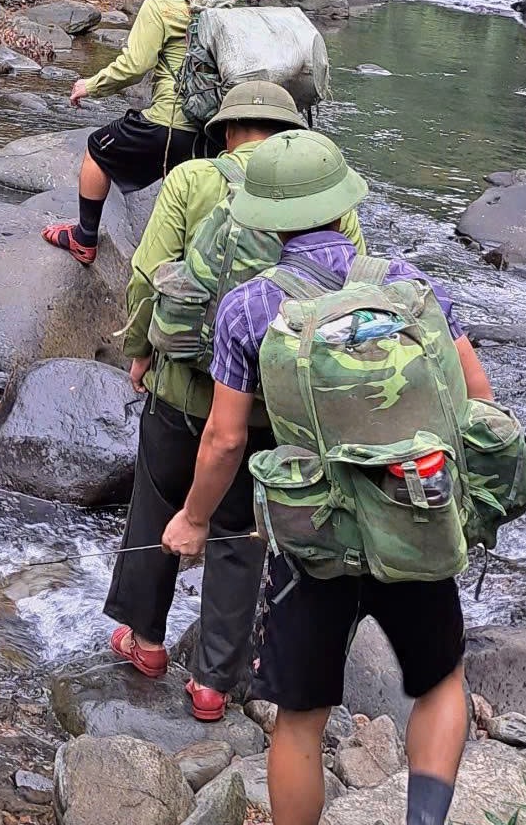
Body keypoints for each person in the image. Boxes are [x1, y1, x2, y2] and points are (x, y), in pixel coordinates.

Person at [160, 130, 496, 825]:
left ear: (264, 221)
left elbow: (225, 439)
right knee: (440, 683)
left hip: (313, 540)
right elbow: (478, 398)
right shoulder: (411, 283)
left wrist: (192, 519)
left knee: (300, 718)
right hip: (413, 514)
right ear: (345, 206)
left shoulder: (248, 308)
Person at [105, 82, 367, 722]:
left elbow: (145, 273)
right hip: (271, 410)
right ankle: (213, 682)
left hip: (183, 391)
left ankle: (145, 642)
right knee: (239, 533)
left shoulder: (192, 180)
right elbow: (350, 294)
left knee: (157, 500)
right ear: (292, 136)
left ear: (226, 131)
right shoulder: (327, 198)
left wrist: (139, 349)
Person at [42, 0, 214, 264]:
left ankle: (83, 239)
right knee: (186, 188)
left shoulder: (160, 4)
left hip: (171, 123)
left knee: (97, 148)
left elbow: (135, 67)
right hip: (214, 131)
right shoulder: (222, 7)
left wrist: (90, 86)